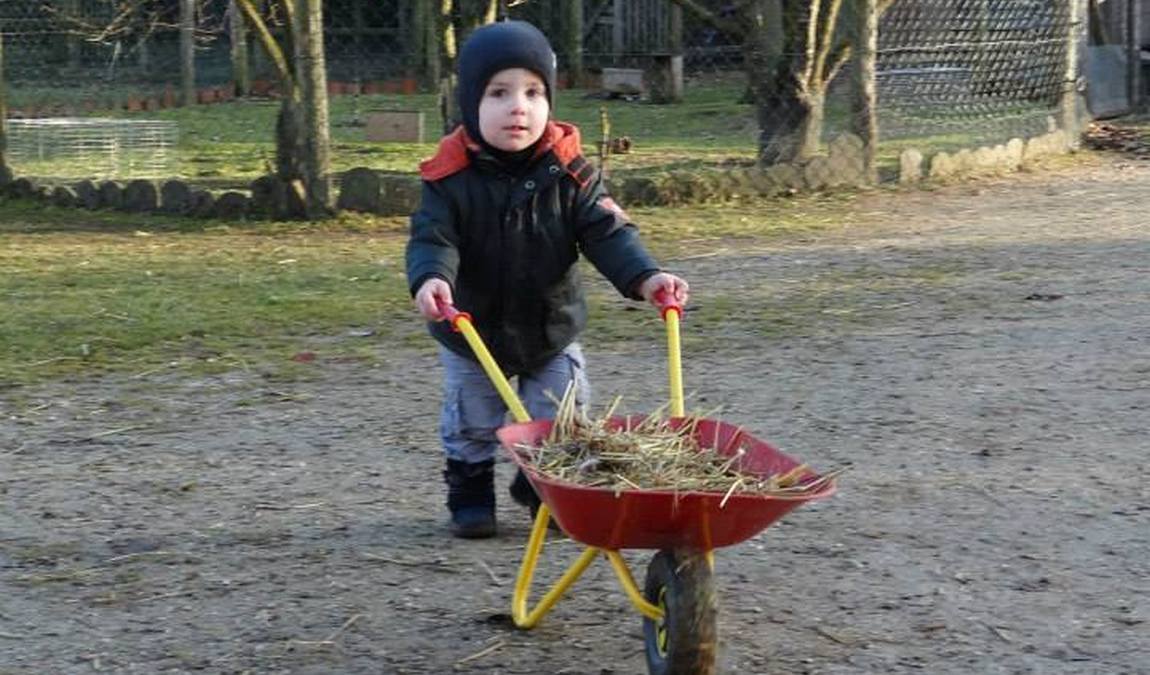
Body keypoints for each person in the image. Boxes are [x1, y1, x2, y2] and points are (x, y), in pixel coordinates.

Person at [406, 20, 689, 538]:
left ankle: (541, 486)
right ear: (470, 102)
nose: (519, 107)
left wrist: (646, 276)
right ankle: (470, 490)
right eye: (499, 93)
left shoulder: (571, 173)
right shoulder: (448, 180)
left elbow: (608, 232)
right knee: (473, 419)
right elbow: (433, 239)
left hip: (550, 328)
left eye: (534, 92)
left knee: (564, 415)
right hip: (472, 329)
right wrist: (430, 279)